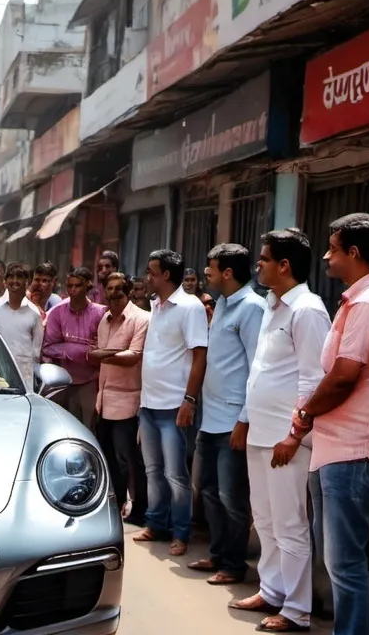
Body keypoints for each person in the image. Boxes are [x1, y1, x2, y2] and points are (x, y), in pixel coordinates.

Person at [295, 213, 369, 635]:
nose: (326, 257)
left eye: (333, 248)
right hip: (364, 445)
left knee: (344, 558)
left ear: (354, 253)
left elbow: (345, 374)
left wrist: (306, 413)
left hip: (354, 446)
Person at [232, 229, 330, 634]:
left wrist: (295, 435)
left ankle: (297, 609)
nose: (258, 265)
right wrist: (246, 420)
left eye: (264, 259)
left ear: (284, 265)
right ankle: (271, 590)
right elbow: (262, 372)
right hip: (261, 432)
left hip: (286, 439)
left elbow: (313, 380)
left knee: (290, 523)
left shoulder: (307, 310)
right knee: (265, 518)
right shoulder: (273, 306)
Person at [189, 244, 265, 585]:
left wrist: (244, 420)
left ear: (228, 273)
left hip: (234, 420)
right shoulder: (221, 304)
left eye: (211, 270)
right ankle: (219, 553)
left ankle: (234, 564)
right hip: (211, 418)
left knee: (232, 497)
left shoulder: (252, 308)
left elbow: (256, 369)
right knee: (206, 490)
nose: (206, 275)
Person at [134, 249, 208, 557]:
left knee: (176, 474)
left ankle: (181, 531)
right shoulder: (156, 305)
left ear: (166, 275)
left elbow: (200, 355)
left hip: (174, 404)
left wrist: (189, 400)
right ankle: (156, 523)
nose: (147, 277)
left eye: (152, 272)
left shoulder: (190, 308)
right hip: (149, 404)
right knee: (153, 469)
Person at [88, 273, 150, 527]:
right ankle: (115, 506)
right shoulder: (104, 320)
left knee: (131, 461)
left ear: (128, 291)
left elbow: (133, 356)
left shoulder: (142, 319)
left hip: (129, 400)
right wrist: (111, 353)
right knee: (110, 459)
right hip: (104, 399)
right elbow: (114, 355)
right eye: (109, 289)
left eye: (119, 289)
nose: (114, 293)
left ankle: (140, 510)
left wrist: (101, 354)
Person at [41, 266, 106, 428]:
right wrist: (83, 349)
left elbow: (103, 349)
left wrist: (70, 347)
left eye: (78, 285)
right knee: (67, 427)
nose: (73, 290)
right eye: (70, 286)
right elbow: (49, 347)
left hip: (92, 380)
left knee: (90, 427)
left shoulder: (100, 313)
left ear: (88, 287)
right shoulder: (57, 312)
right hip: (64, 381)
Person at [0, 263, 43, 391]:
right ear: (5, 281)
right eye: (11, 277)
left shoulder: (34, 312)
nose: (15, 281)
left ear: (27, 281)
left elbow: (36, 350)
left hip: (25, 373)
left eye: (19, 277)